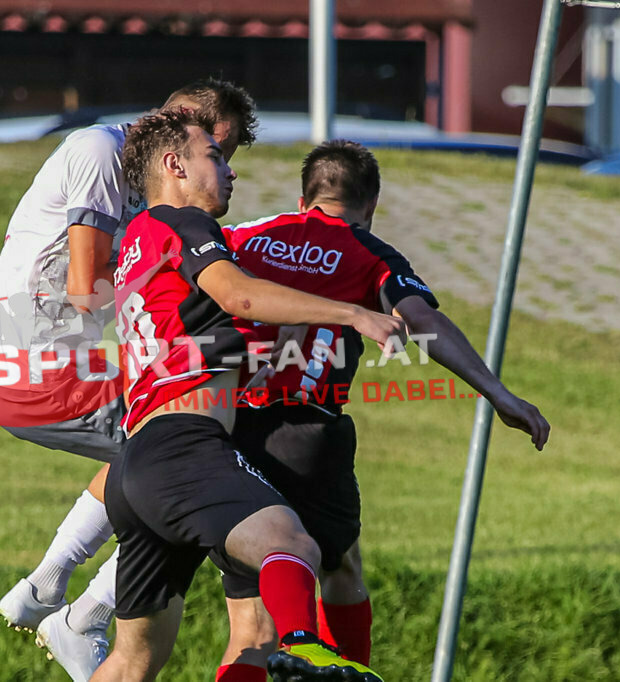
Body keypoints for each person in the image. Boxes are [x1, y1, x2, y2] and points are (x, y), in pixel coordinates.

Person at [210, 140, 550, 679]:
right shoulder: (369, 253)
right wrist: (497, 392)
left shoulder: (245, 235)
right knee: (342, 569)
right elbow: (421, 322)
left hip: (225, 428)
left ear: (305, 198)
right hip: (307, 434)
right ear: (370, 206)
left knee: (251, 628)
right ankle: (346, 672)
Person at [94, 111, 402, 681]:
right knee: (295, 545)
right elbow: (239, 297)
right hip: (186, 447)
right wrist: (353, 313)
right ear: (174, 164)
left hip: (137, 461)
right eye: (214, 155)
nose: (229, 170)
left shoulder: (136, 238)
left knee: (134, 659)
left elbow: (203, 321)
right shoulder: (184, 224)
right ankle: (307, 649)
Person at [0, 79, 258, 680]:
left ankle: (47, 587)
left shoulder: (143, 188)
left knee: (172, 453)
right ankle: (79, 613)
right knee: (191, 459)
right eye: (216, 151)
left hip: (47, 357)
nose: (222, 171)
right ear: (178, 135)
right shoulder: (103, 153)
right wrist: (192, 271)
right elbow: (86, 289)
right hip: (33, 359)